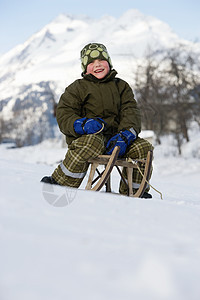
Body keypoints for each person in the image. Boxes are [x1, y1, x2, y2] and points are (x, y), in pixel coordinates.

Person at [41, 42, 153, 198]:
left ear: (109, 63)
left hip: (117, 140)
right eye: (91, 63)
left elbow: (131, 111)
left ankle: (134, 190)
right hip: (89, 139)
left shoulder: (121, 86)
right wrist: (82, 124)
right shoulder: (78, 88)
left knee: (143, 147)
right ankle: (60, 182)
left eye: (101, 61)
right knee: (91, 143)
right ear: (85, 68)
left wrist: (126, 135)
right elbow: (64, 113)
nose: (97, 65)